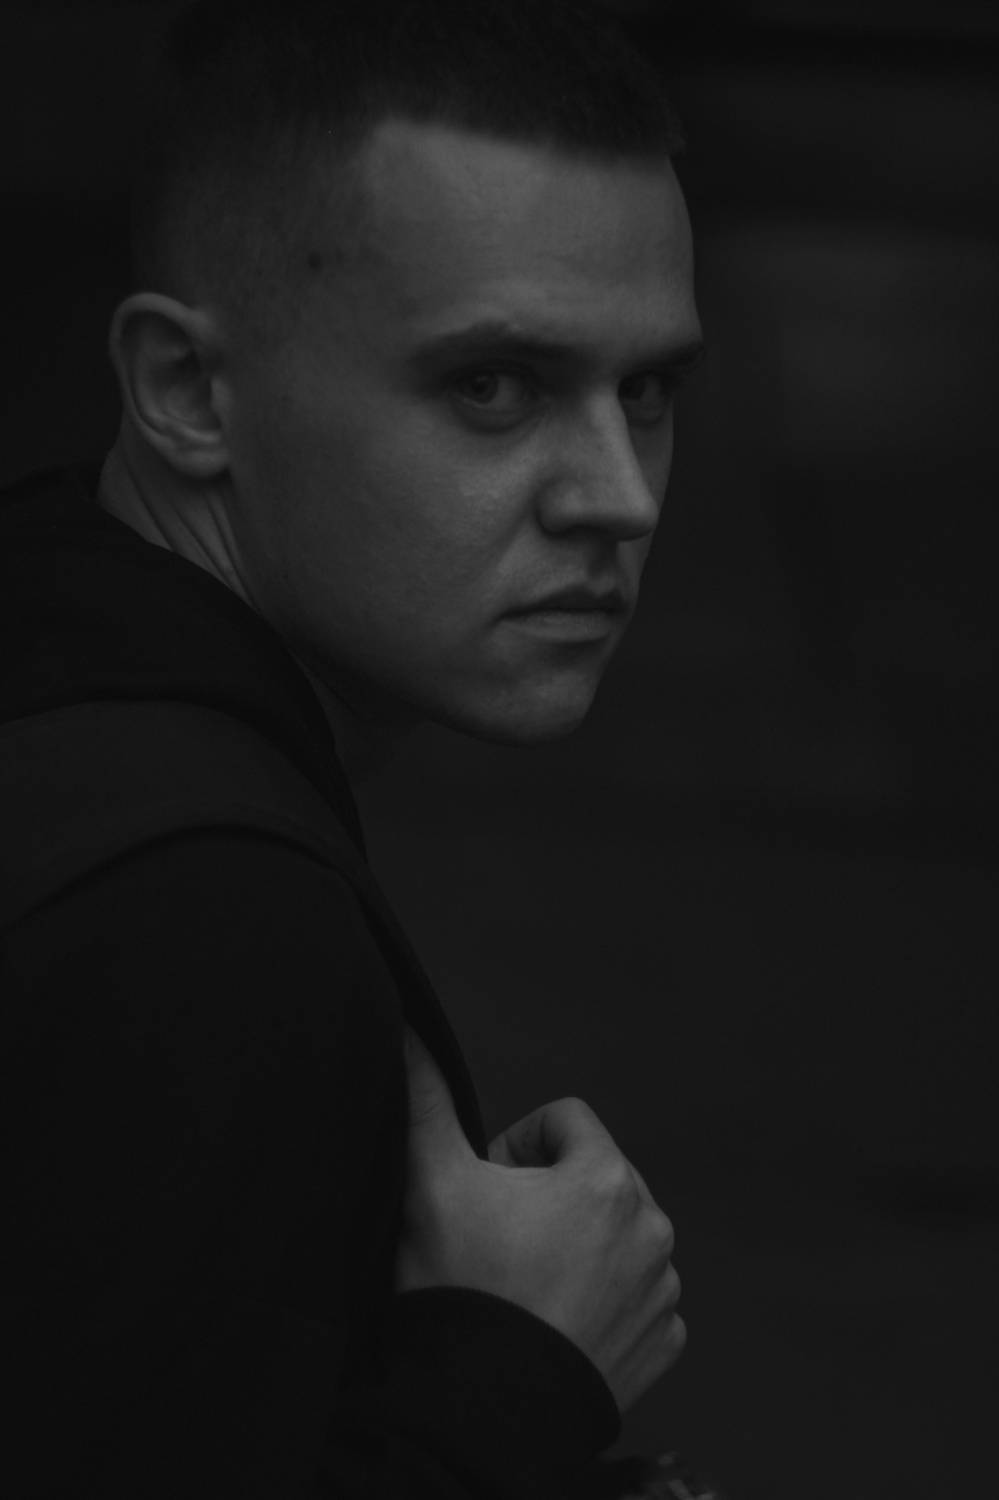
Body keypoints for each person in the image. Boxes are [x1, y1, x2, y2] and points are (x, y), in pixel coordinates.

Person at [0, 0, 707, 1495]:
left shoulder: (53, 621)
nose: (619, 495)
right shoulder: (205, 922)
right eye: (494, 386)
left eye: (646, 389)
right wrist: (514, 1371)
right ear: (187, 393)